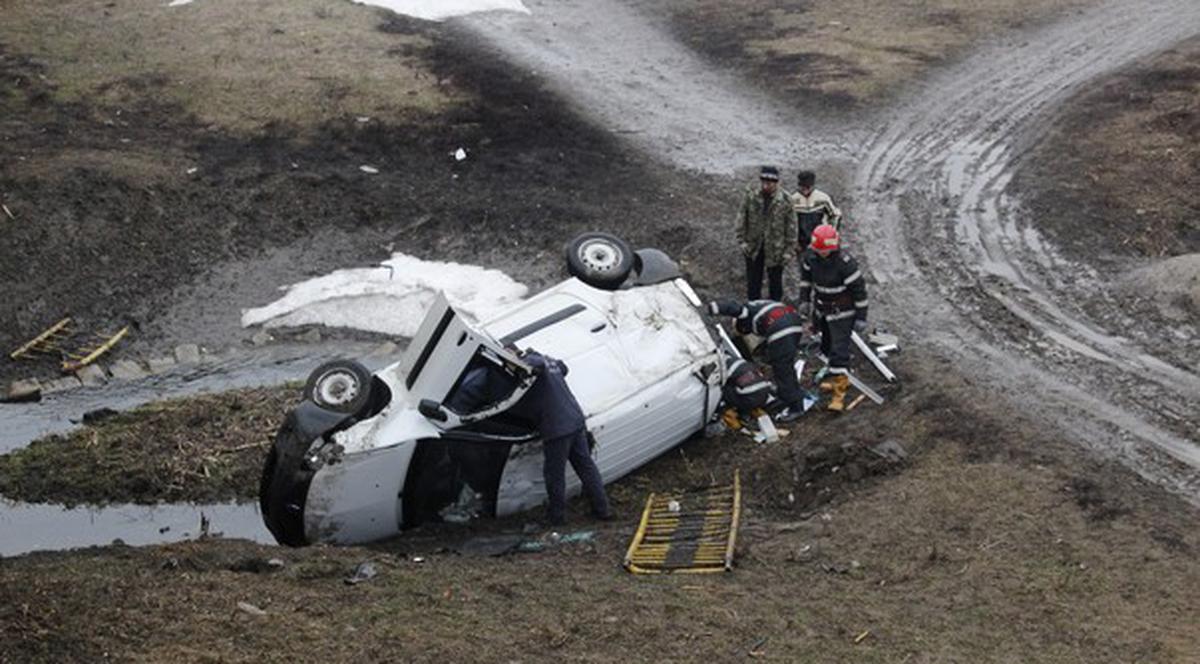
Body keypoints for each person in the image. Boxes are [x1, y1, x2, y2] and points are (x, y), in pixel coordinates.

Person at [447, 349, 612, 526]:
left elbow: (534, 366)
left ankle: (557, 518)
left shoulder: (533, 362)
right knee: (586, 466)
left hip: (557, 427)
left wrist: (522, 362)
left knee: (554, 474)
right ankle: (603, 510)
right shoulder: (549, 361)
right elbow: (563, 368)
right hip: (575, 419)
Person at [797, 224, 867, 412]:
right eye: (819, 250)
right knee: (827, 347)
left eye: (824, 251)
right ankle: (836, 377)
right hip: (822, 310)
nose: (821, 254)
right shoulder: (810, 257)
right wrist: (804, 299)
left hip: (842, 314)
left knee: (839, 351)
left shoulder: (846, 264)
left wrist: (861, 317)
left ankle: (840, 393)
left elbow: (859, 292)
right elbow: (806, 279)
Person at [708, 298, 807, 422]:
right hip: (794, 320)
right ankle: (788, 395)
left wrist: (709, 308)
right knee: (783, 362)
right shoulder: (758, 305)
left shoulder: (744, 311)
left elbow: (731, 306)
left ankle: (795, 407)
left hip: (779, 327)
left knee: (783, 369)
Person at [735, 166, 797, 301]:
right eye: (763, 182)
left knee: (775, 284)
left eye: (769, 183)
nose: (765, 185)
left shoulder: (786, 200)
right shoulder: (751, 196)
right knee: (753, 283)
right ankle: (753, 311)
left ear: (776, 183)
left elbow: (791, 227)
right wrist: (742, 242)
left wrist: (789, 251)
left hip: (776, 251)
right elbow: (741, 218)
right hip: (753, 247)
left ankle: (775, 313)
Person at [791, 170, 843, 255]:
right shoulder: (793, 200)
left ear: (812, 186)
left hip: (821, 240)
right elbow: (789, 222)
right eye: (802, 187)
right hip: (802, 243)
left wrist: (832, 232)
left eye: (808, 187)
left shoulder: (823, 198)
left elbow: (835, 215)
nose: (805, 190)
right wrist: (794, 241)